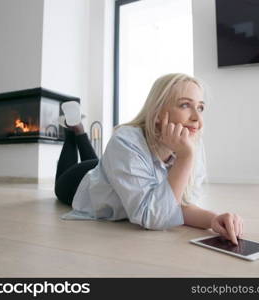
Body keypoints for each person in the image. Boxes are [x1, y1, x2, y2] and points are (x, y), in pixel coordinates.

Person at [55, 73, 243, 245]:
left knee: (101, 163)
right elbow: (151, 217)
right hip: (80, 183)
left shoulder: (190, 143)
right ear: (159, 112)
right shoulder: (126, 141)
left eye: (200, 107)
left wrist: (213, 219)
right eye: (185, 105)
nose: (197, 118)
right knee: (61, 180)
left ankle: (75, 127)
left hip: (116, 170)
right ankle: (72, 130)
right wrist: (185, 158)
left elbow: (175, 205)